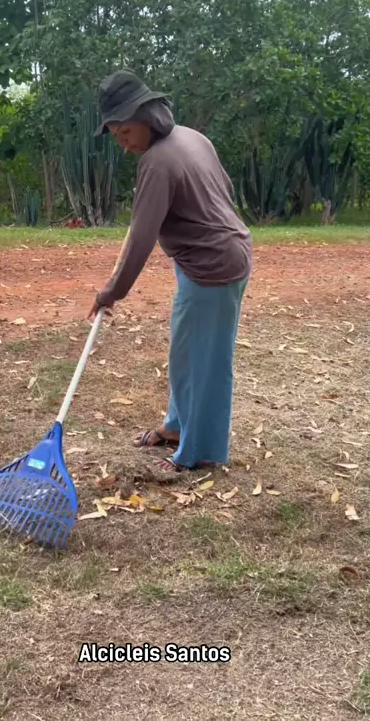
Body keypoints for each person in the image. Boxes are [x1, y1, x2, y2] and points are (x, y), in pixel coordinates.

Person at [88, 69, 252, 479]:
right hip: (210, 259)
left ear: (146, 115)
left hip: (212, 266)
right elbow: (225, 190)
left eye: (126, 133)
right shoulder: (191, 137)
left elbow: (141, 239)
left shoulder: (158, 161)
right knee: (186, 355)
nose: (124, 145)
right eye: (117, 137)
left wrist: (112, 291)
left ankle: (199, 452)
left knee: (204, 363)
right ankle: (177, 427)